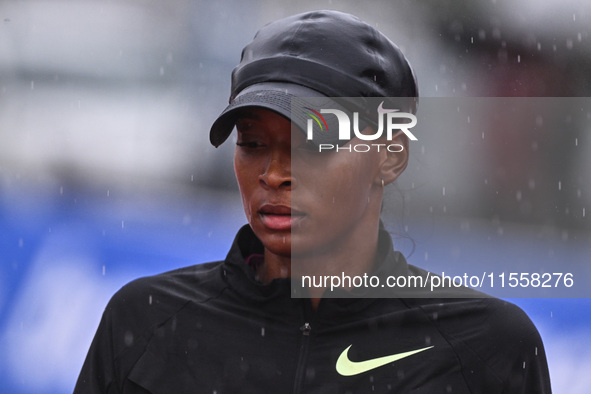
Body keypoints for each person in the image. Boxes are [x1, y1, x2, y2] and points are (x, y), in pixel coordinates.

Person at [75, 10, 551, 393]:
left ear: (390, 157)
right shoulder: (146, 320)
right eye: (253, 143)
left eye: (313, 144)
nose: (276, 174)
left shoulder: (486, 346)